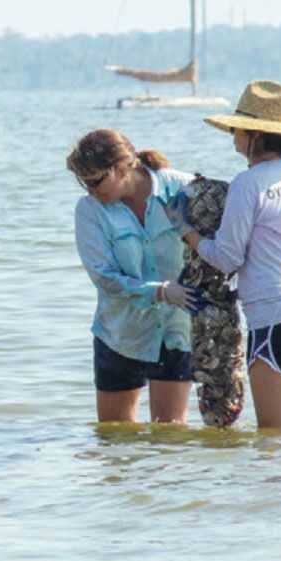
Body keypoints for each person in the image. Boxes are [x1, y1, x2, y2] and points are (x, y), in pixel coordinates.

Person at [172, 80, 281, 430]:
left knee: (274, 439)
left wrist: (187, 232)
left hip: (274, 317)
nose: (233, 136)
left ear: (255, 136)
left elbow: (227, 258)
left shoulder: (250, 183)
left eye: (236, 129)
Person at [68, 129, 203, 424]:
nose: (90, 190)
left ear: (123, 167)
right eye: (83, 182)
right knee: (116, 441)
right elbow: (104, 278)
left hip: (176, 331)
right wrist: (161, 291)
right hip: (119, 335)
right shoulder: (89, 210)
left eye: (95, 180)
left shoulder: (182, 188)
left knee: (170, 437)